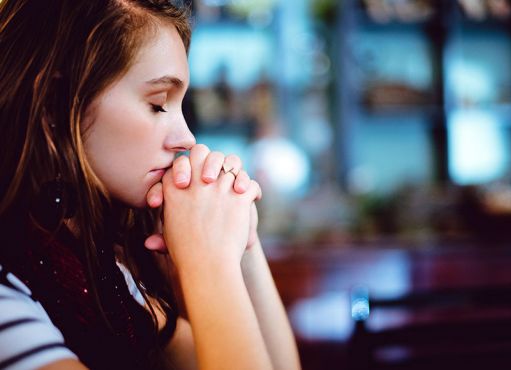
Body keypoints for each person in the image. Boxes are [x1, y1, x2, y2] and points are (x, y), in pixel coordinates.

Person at [0, 0, 301, 369]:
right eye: (158, 104)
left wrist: (242, 245)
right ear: (57, 106)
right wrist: (209, 264)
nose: (187, 139)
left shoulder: (98, 268)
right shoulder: (8, 290)